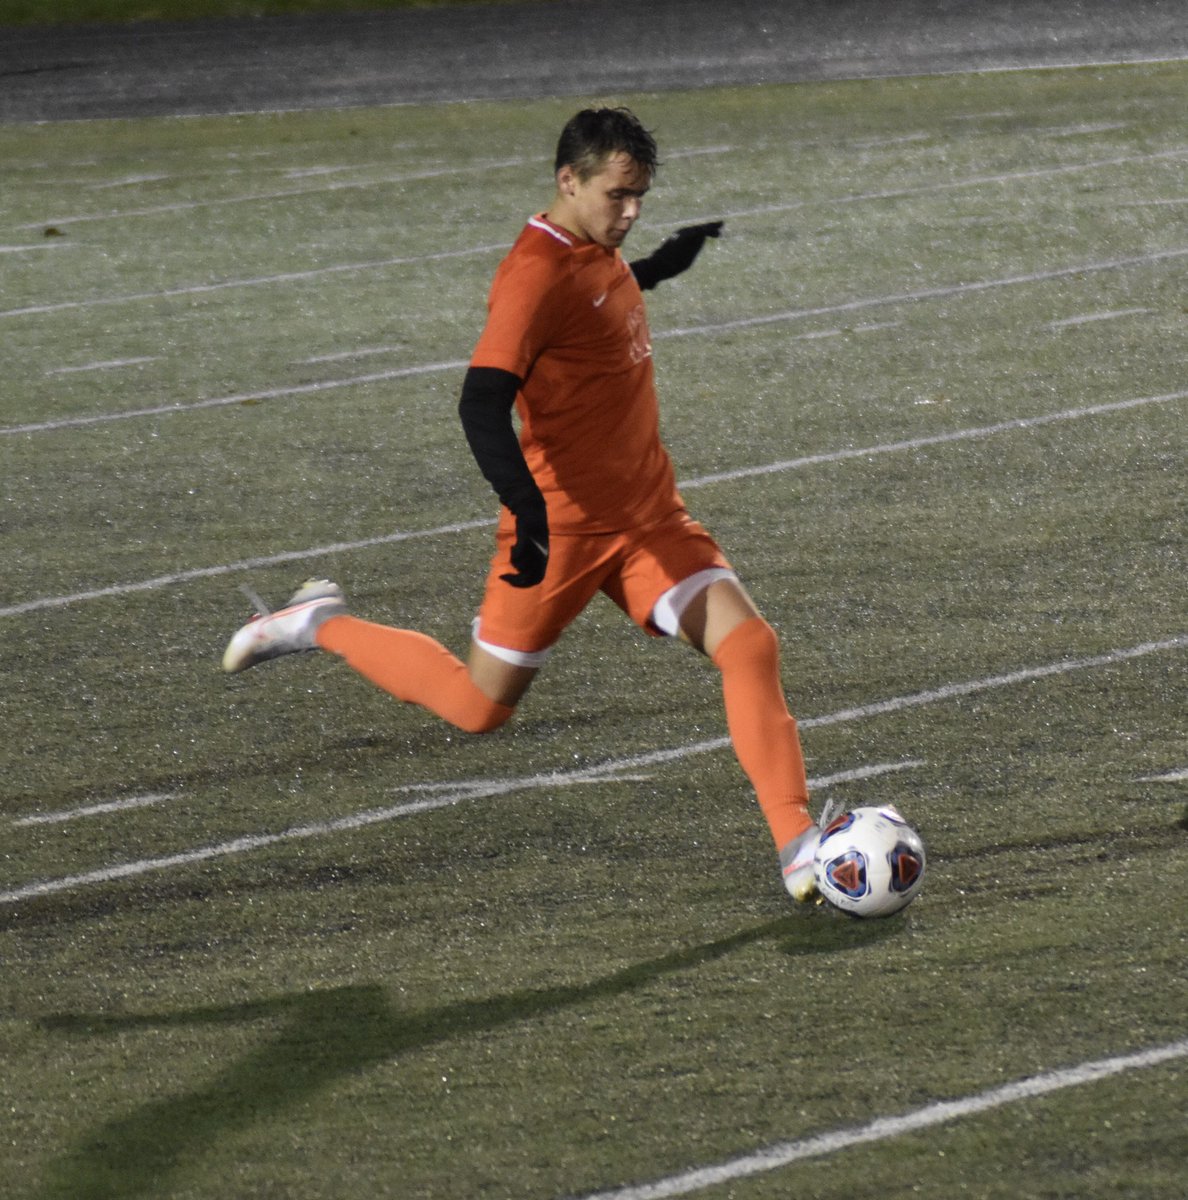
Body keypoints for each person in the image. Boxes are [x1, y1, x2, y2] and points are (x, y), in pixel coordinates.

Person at [222, 107, 822, 901]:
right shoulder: (534, 274)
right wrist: (529, 515)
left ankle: (799, 847)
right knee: (477, 709)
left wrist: (661, 264)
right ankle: (316, 621)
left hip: (647, 518)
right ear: (567, 182)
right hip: (562, 531)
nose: (632, 211)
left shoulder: (596, 248)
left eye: (641, 195)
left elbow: (601, 302)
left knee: (750, 646)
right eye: (619, 194)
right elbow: (481, 403)